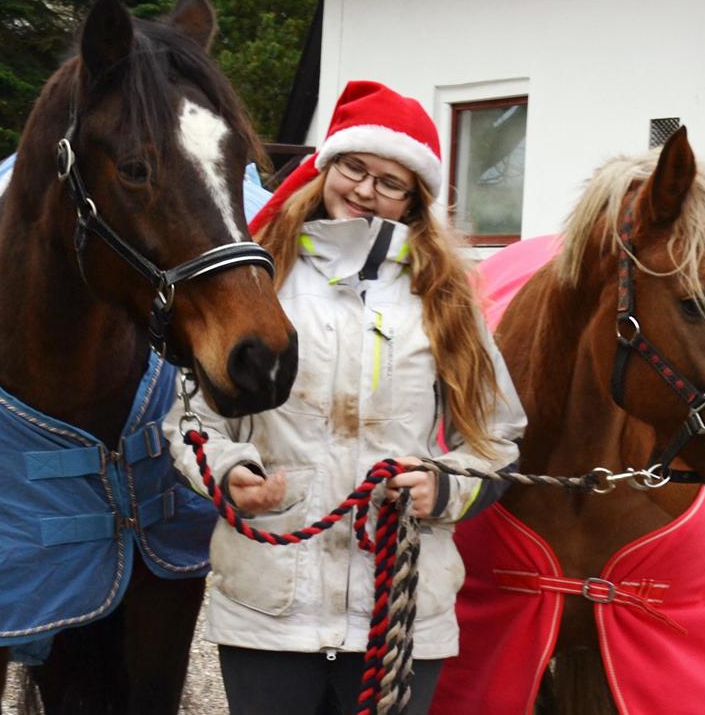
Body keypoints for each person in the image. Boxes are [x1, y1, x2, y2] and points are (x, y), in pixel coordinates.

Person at [168, 80, 526, 715]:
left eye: (390, 183)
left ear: (415, 201)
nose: (365, 190)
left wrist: (443, 488)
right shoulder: (258, 283)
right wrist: (228, 473)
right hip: (269, 610)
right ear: (325, 169)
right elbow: (191, 420)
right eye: (354, 168)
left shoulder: (445, 304)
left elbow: (496, 438)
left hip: (398, 614)